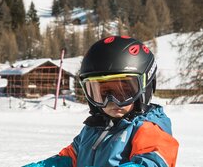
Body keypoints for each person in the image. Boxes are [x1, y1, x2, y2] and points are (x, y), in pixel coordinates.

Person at [23, 36, 178, 167]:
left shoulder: (148, 129)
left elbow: (153, 161)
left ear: (145, 88)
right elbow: (69, 159)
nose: (112, 101)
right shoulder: (92, 129)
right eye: (102, 93)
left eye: (122, 92)